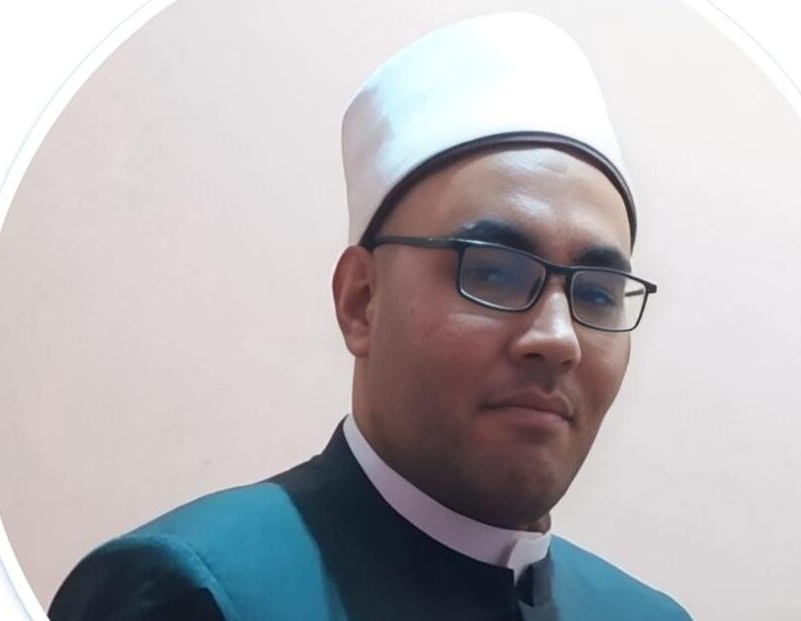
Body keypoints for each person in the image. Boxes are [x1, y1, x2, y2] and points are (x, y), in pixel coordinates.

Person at [49, 12, 692, 621]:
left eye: (597, 294)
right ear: (360, 301)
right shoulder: (197, 593)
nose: (557, 338)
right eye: (492, 271)